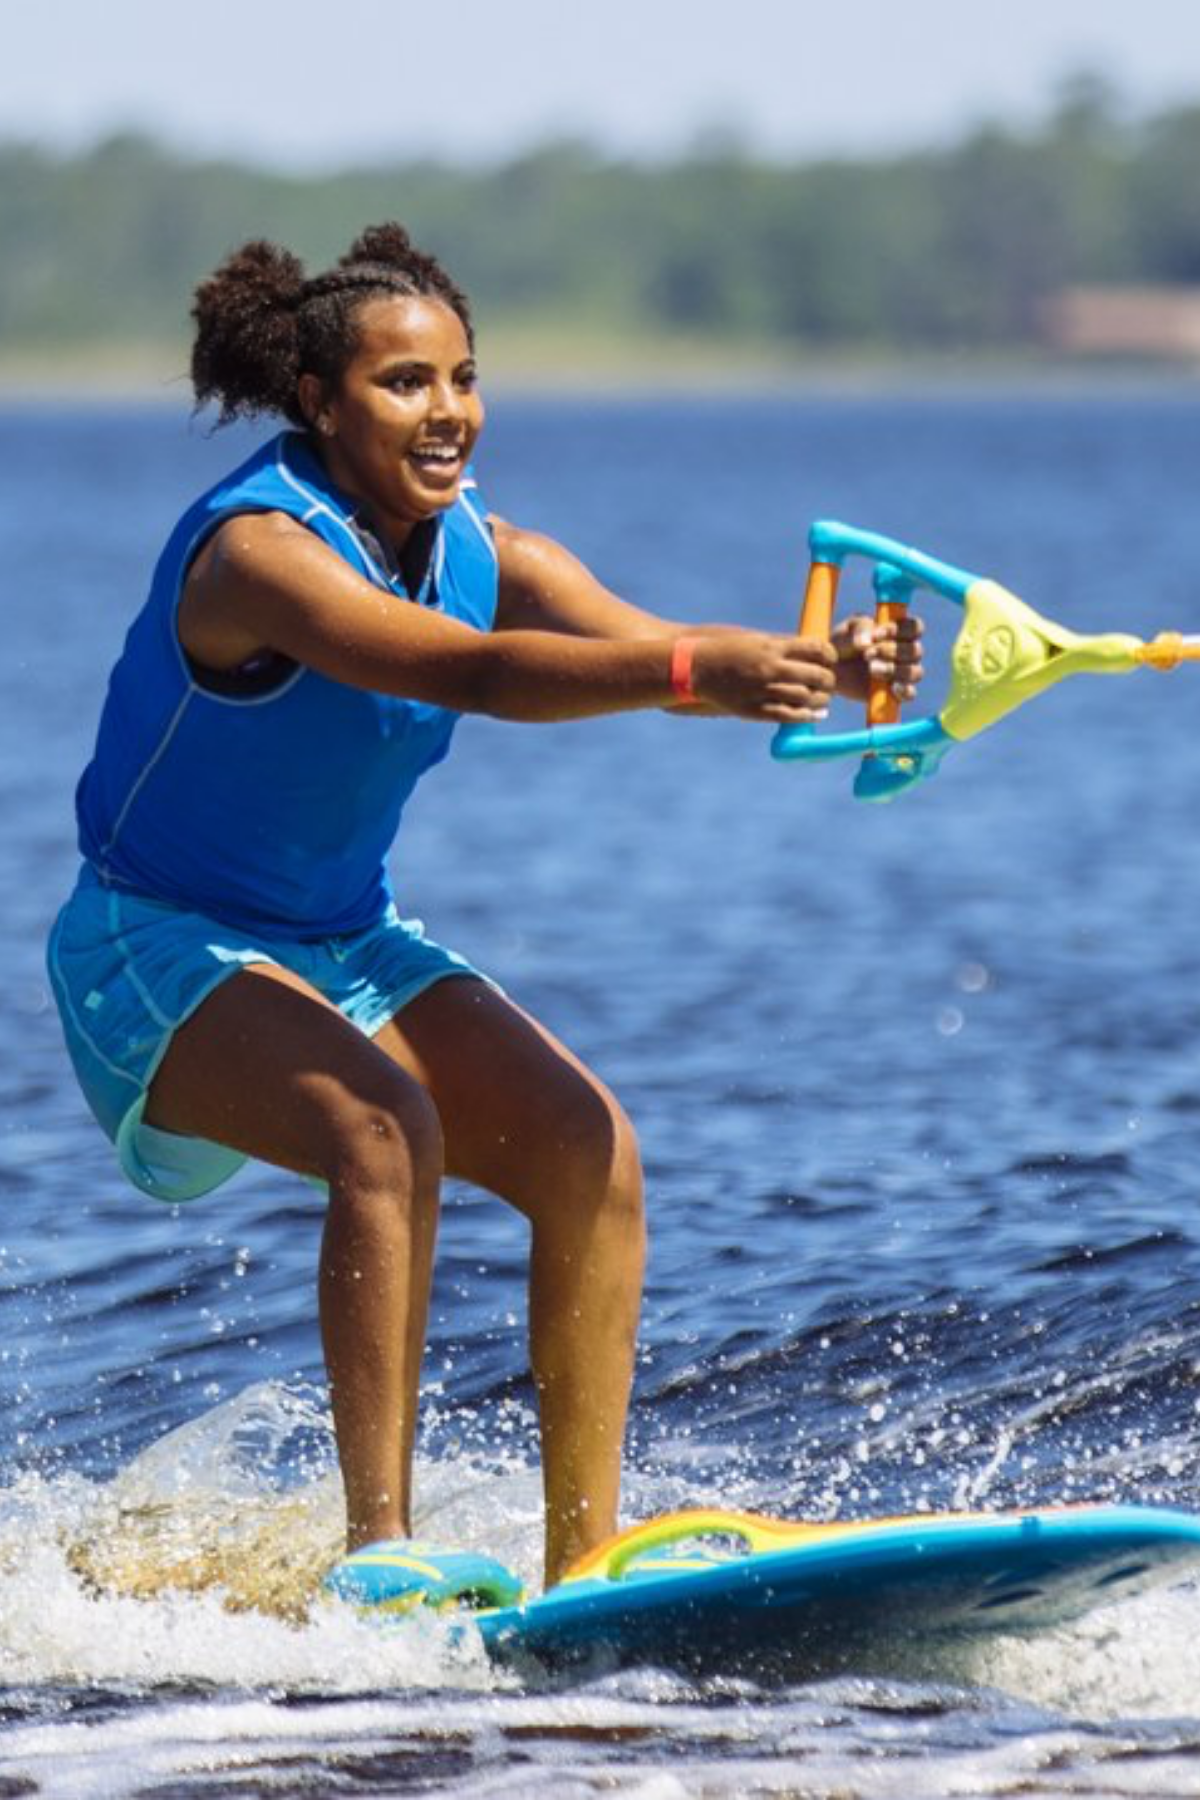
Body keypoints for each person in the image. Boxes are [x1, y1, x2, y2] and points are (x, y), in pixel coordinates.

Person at [47, 223, 923, 1600]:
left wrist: (830, 665)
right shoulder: (259, 558)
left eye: (463, 377)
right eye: (403, 385)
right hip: (152, 946)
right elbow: (482, 672)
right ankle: (378, 1554)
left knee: (587, 1143)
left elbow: (634, 644)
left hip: (336, 937)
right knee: (383, 1128)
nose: (447, 411)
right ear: (321, 403)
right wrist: (706, 669)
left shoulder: (485, 545)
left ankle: (588, 1564)